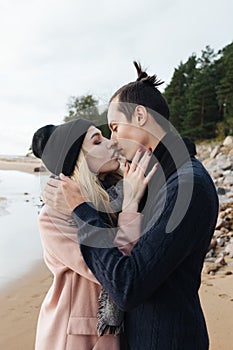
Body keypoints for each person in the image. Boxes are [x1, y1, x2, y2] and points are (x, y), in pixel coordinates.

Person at [44, 62, 219, 350]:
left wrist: (80, 210)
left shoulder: (188, 185)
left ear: (139, 115)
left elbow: (127, 285)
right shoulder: (166, 177)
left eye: (114, 128)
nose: (113, 140)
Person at [32, 118, 157, 350]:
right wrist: (130, 206)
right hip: (76, 337)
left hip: (115, 333)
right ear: (78, 161)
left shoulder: (113, 196)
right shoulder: (54, 218)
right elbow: (114, 270)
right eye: (97, 141)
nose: (111, 143)